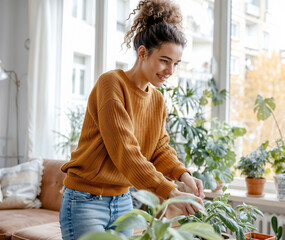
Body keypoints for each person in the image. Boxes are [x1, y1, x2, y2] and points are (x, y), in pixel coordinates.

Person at [59, 0, 205, 239]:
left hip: (123, 203)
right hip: (85, 202)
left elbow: (159, 148)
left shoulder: (157, 100)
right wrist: (169, 191)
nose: (170, 71)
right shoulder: (111, 84)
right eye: (164, 60)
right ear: (142, 52)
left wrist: (183, 175)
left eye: (175, 64)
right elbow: (126, 154)